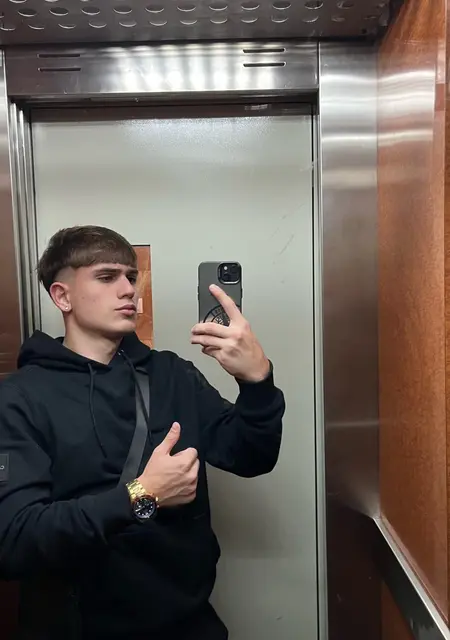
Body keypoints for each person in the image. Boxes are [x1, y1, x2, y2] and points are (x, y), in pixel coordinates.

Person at [0, 225, 285, 640]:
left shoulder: (172, 376)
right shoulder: (20, 397)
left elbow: (252, 456)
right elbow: (14, 541)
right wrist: (141, 494)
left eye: (131, 277)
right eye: (106, 276)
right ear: (62, 296)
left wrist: (257, 381)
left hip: (187, 625)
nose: (128, 290)